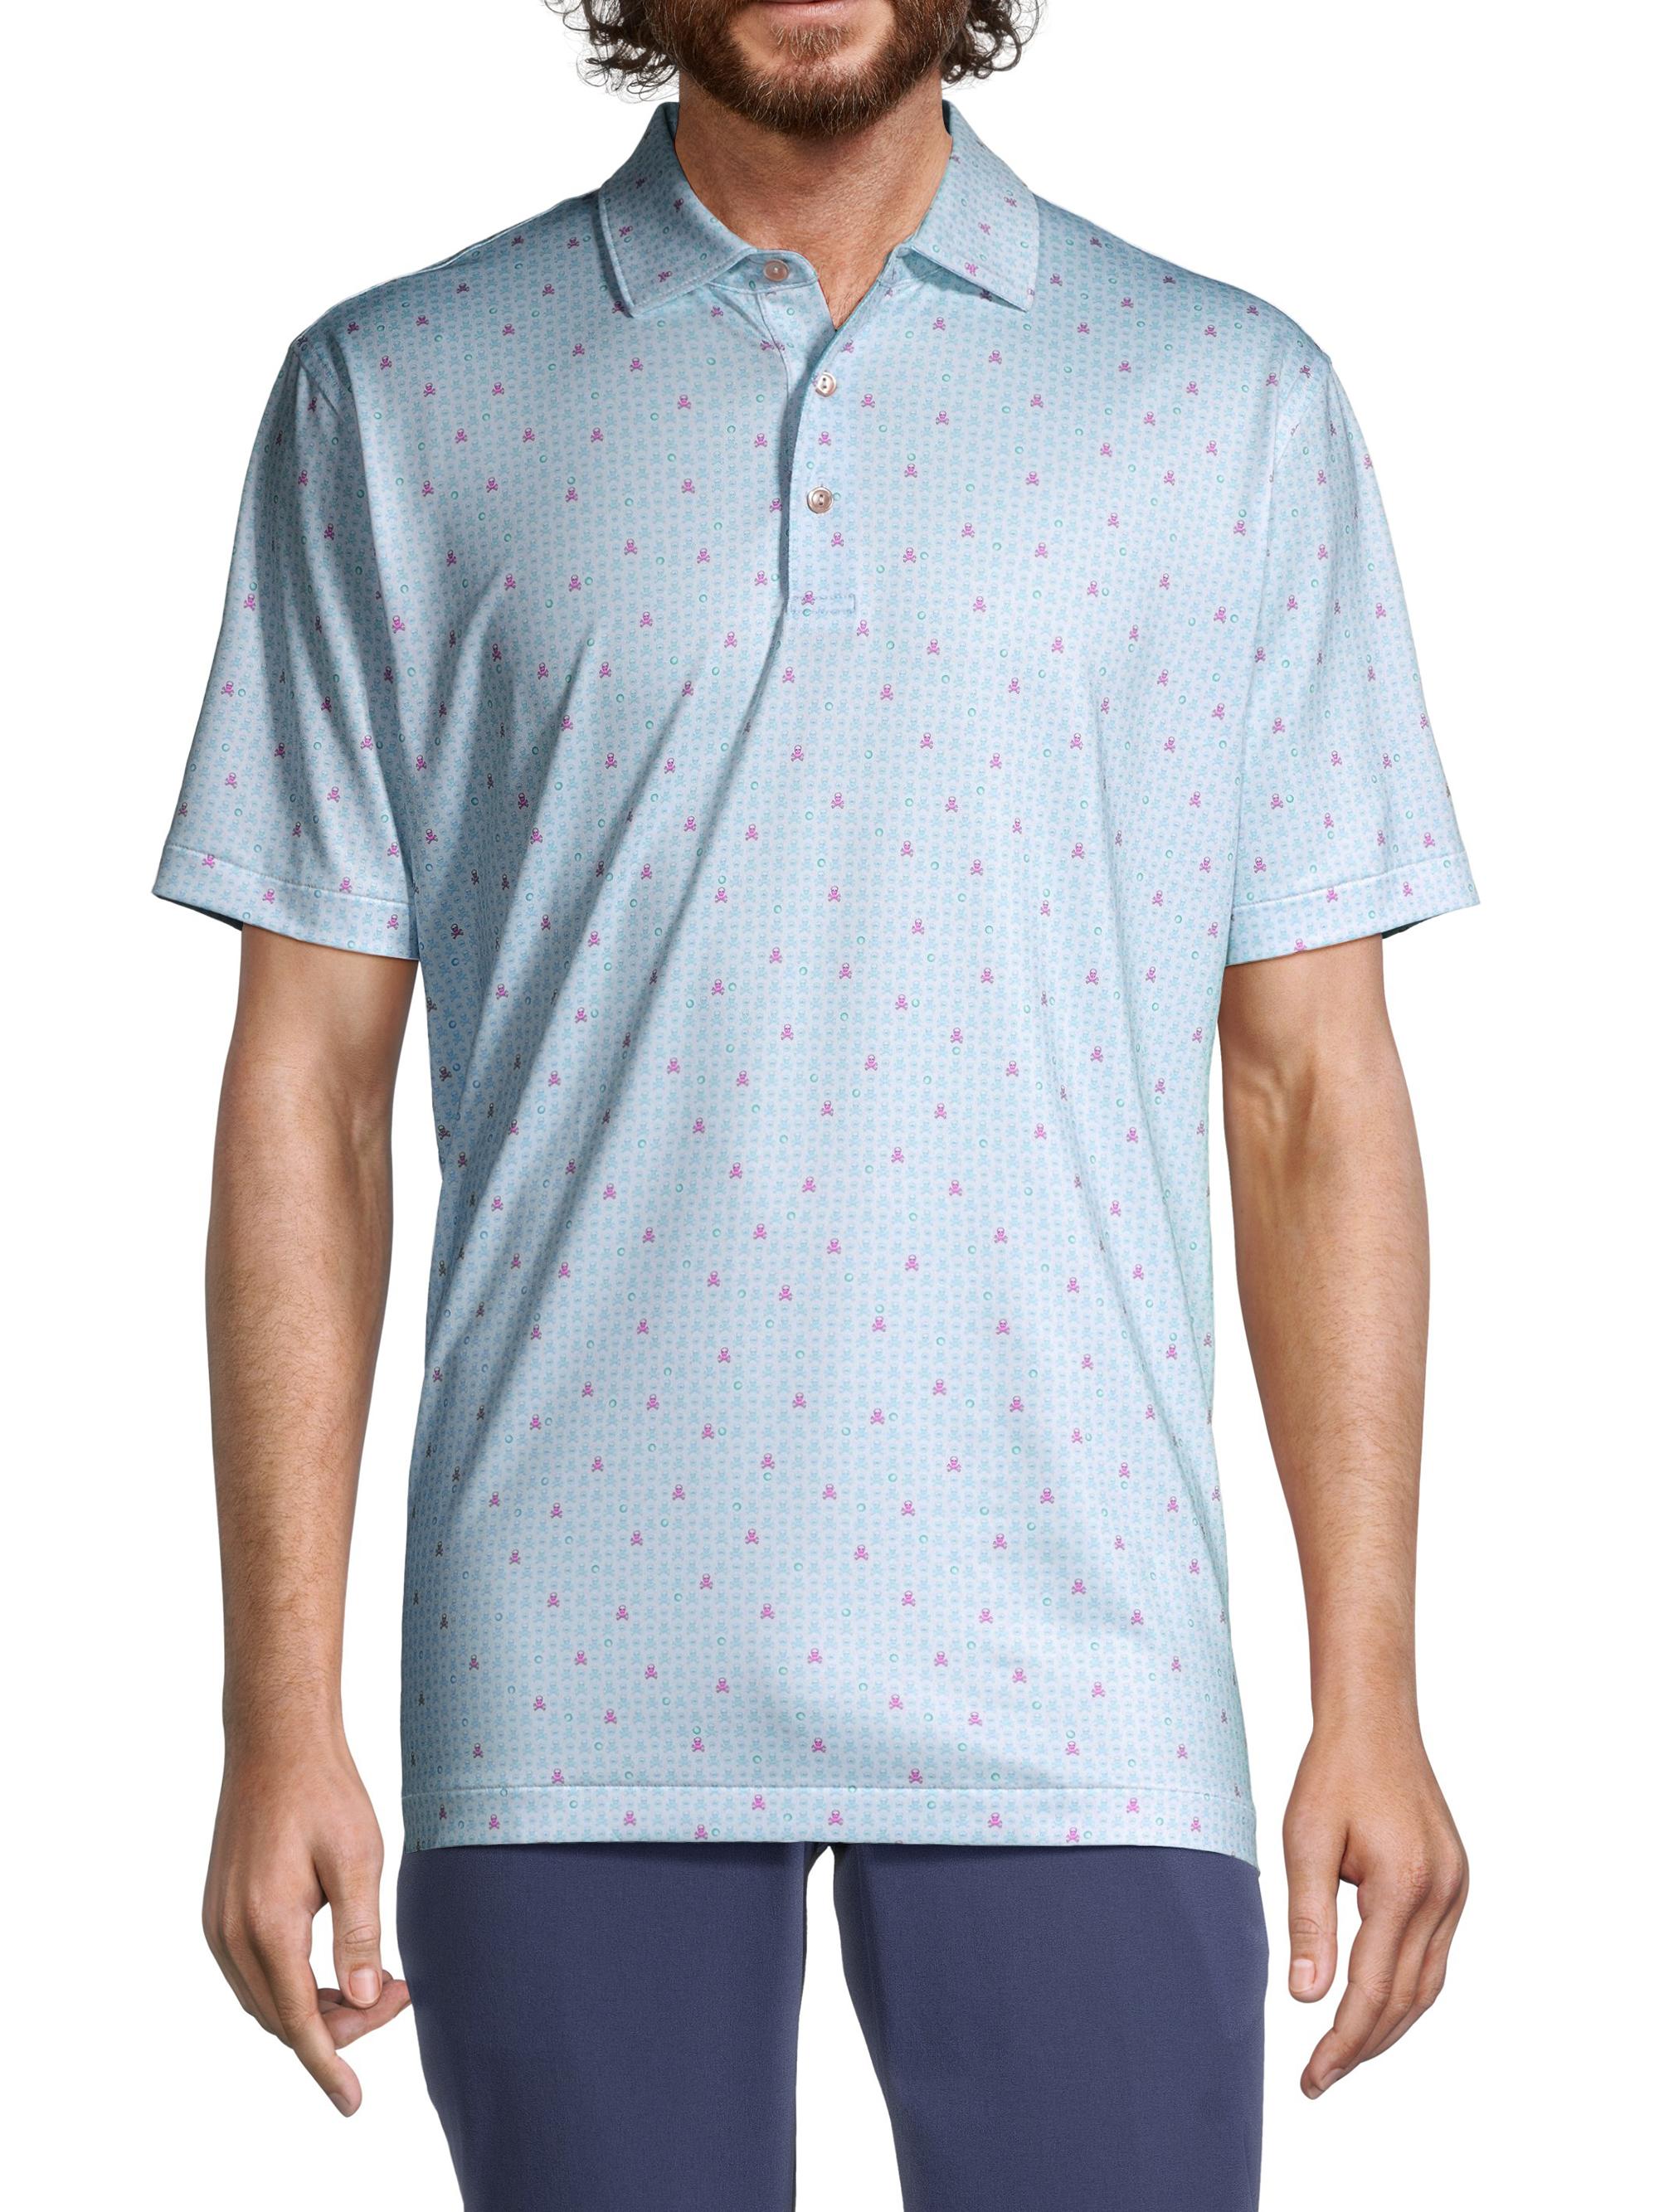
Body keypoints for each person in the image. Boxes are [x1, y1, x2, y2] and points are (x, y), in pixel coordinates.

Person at [154, 3, 1476, 2205]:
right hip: (567, 1668)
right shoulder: (398, 393)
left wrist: (1376, 1687)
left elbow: (1311, 1089)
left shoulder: (1226, 402)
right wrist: (276, 1707)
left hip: (1088, 1674)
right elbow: (307, 1085)